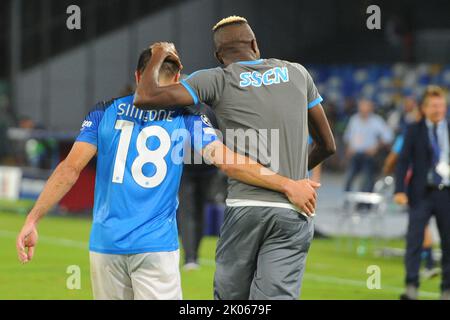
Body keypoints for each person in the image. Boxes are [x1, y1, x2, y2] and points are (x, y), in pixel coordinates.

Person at [16, 47, 312, 300]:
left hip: (105, 245)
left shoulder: (103, 111)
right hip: (155, 246)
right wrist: (286, 183)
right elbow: (227, 162)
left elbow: (70, 168)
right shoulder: (187, 117)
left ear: (137, 77)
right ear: (177, 81)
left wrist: (33, 218)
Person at [133, 16, 336, 299]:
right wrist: (293, 180)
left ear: (219, 56)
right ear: (254, 43)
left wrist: (158, 53)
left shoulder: (216, 78)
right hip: (293, 210)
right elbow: (327, 145)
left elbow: (145, 96)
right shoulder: (298, 73)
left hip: (245, 207)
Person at [394, 85, 450, 300]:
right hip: (421, 193)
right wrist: (399, 190)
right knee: (414, 241)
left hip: (446, 194)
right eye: (434, 106)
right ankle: (411, 288)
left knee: (448, 244)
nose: (438, 109)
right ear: (424, 108)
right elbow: (403, 161)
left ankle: (446, 290)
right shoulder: (414, 129)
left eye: (441, 105)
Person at [178, 104, 219, 270]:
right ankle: (193, 256)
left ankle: (190, 258)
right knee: (198, 211)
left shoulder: (181, 110)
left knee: (188, 211)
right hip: (205, 168)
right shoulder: (208, 110)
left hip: (188, 167)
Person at [343, 99, 393, 192]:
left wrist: (376, 147)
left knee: (367, 178)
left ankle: (365, 202)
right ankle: (346, 198)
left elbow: (388, 137)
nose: (363, 109)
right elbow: (348, 136)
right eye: (362, 106)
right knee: (350, 177)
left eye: (366, 107)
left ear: (371, 108)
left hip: (368, 155)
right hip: (355, 154)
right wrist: (349, 148)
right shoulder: (354, 119)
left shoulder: (376, 121)